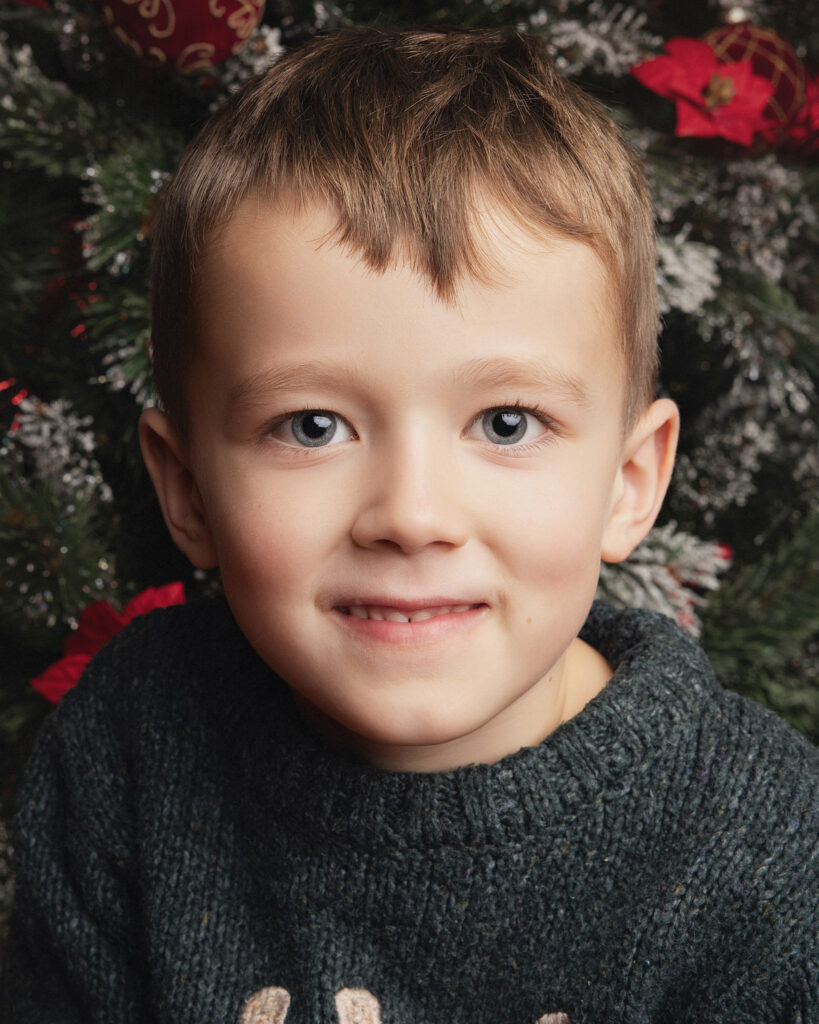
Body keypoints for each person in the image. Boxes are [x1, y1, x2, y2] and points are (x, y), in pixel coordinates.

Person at [2, 26, 816, 1024]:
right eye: (312, 425)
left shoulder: (766, 854)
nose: (412, 515)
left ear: (630, 481)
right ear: (186, 489)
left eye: (507, 423)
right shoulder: (126, 755)